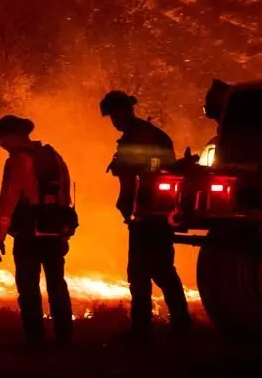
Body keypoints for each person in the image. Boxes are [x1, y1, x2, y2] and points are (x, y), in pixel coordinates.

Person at [100, 90, 192, 339]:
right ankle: (179, 325)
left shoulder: (140, 137)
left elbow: (140, 175)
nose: (113, 122)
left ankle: (143, 329)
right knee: (160, 270)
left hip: (149, 215)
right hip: (151, 214)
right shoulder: (144, 134)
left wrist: (122, 172)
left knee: (144, 272)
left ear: (124, 110)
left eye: (114, 115)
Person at [0, 115, 75, 346]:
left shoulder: (18, 160)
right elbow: (65, 197)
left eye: (2, 139)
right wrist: (64, 232)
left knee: (28, 287)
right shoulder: (54, 156)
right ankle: (64, 336)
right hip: (55, 233)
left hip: (28, 234)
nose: (1, 144)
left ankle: (34, 338)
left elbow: (8, 199)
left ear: (15, 136)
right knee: (57, 284)